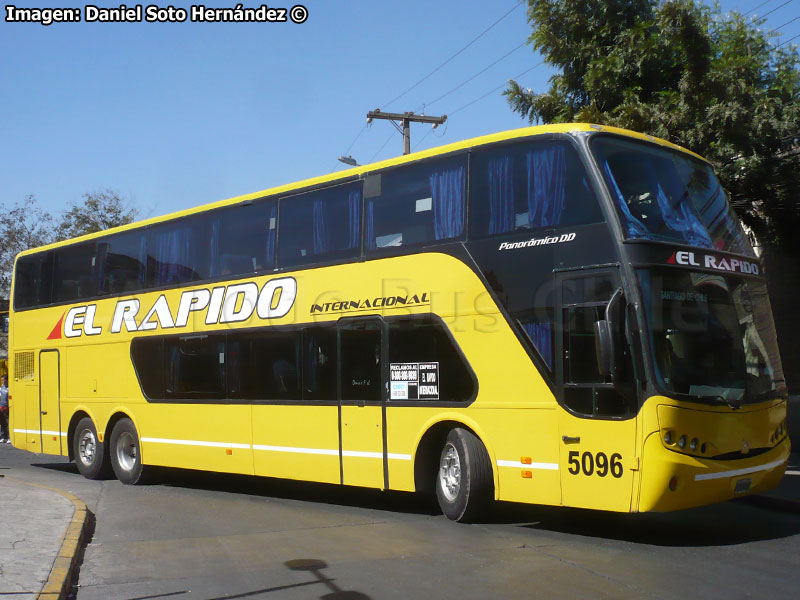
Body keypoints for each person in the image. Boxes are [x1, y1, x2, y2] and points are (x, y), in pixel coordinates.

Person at [0, 374, 9, 443]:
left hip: (8, 407)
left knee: (8, 423)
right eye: (2, 380)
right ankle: (3, 437)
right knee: (3, 423)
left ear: (7, 380)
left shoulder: (10, 388)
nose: (2, 381)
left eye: (3, 380)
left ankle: (9, 437)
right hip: (1, 407)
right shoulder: (1, 388)